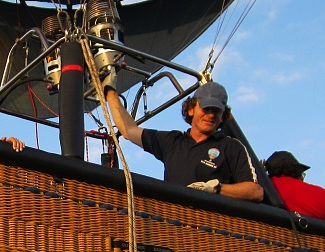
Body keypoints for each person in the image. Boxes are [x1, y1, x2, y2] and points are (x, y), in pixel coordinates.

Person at [102, 81, 263, 200]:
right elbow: (129, 130)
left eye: (216, 111)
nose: (211, 115)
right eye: (206, 109)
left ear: (222, 116)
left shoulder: (231, 147)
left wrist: (216, 188)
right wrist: (109, 90)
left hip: (212, 227)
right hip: (176, 225)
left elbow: (256, 192)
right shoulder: (172, 142)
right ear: (191, 109)